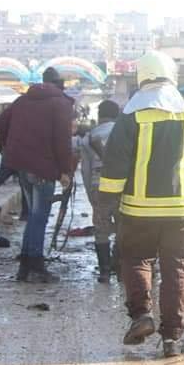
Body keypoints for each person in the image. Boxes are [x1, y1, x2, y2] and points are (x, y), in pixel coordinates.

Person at [100, 51, 184, 357]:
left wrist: (105, 207)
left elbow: (114, 168)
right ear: (173, 78)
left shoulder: (131, 117)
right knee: (177, 270)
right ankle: (172, 339)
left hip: (137, 210)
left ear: (142, 77)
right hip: (182, 212)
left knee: (137, 260)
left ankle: (141, 315)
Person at [0, 67, 74, 283]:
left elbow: (0, 123)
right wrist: (65, 171)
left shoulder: (22, 101)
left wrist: (9, 147)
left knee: (33, 215)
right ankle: (35, 265)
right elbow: (62, 140)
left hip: (21, 165)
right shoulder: (61, 103)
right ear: (60, 85)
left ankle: (26, 264)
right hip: (44, 167)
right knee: (39, 217)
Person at [76, 100, 121, 283]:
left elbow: (85, 169)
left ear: (99, 115)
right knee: (123, 226)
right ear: (117, 115)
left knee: (101, 228)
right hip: (121, 185)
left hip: (98, 185)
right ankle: (120, 267)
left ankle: (104, 271)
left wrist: (89, 193)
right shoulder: (123, 132)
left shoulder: (89, 137)